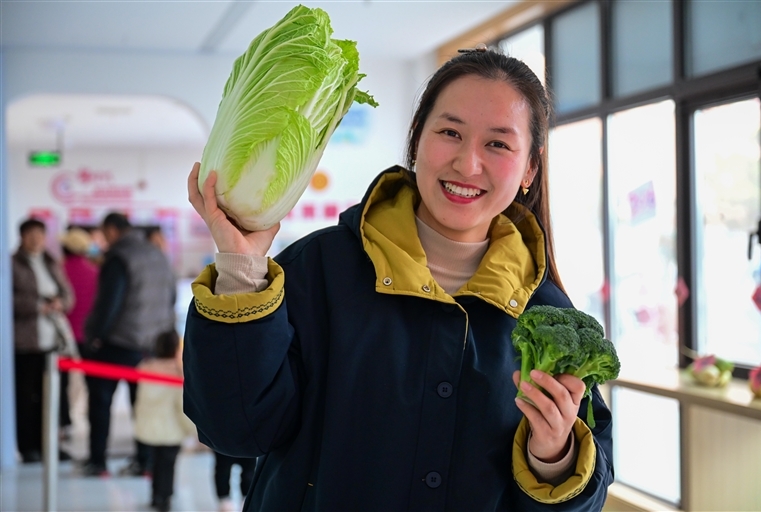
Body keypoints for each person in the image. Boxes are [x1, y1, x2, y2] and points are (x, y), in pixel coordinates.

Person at [183, 48, 614, 510]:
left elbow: (589, 492)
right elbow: (238, 430)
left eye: (498, 144)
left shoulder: (548, 317)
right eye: (450, 132)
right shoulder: (319, 268)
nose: (468, 165)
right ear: (415, 140)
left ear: (530, 167)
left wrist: (553, 457)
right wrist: (240, 269)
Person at [81, 212, 177, 477]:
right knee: (143, 405)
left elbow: (108, 304)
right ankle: (144, 461)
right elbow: (171, 298)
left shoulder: (119, 257)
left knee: (101, 403)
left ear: (112, 230)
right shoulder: (158, 255)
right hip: (151, 344)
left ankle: (98, 462)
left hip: (118, 342)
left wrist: (94, 337)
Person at [12, 218, 74, 463]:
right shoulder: (12, 264)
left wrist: (60, 303)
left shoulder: (51, 262)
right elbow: (9, 300)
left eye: (40, 233)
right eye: (31, 234)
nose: (36, 239)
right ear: (22, 237)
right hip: (26, 342)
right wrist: (38, 306)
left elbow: (69, 295)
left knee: (52, 398)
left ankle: (50, 445)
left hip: (53, 341)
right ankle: (28, 447)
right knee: (27, 399)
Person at [134, 330, 195, 512]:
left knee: (155, 461)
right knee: (168, 465)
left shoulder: (145, 367)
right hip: (171, 428)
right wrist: (192, 428)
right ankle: (164, 497)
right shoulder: (177, 372)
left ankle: (155, 495)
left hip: (149, 426)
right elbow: (181, 405)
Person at [59, 227, 99, 437]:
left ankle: (63, 424)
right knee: (93, 385)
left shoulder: (58, 270)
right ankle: (91, 425)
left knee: (60, 384)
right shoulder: (96, 272)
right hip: (88, 337)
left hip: (62, 337)